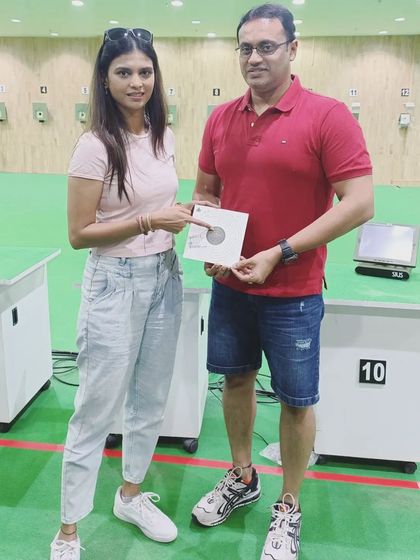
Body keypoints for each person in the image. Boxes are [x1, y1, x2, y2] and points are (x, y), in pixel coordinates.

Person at [191, 4, 374, 560]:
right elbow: (206, 191)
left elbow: (360, 202)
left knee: (296, 402)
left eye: (267, 46)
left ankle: (288, 504)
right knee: (235, 381)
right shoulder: (221, 119)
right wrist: (213, 246)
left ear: (292, 49)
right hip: (232, 287)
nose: (254, 57)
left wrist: (281, 252)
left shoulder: (327, 116)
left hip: (293, 292)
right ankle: (242, 475)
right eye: (246, 47)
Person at [50, 27, 212, 560]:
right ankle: (67, 531)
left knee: (150, 399)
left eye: (145, 71)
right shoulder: (95, 145)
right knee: (95, 410)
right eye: (124, 72)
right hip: (114, 283)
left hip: (165, 276)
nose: (137, 82)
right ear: (105, 78)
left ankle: (130, 496)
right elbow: (79, 234)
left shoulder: (164, 136)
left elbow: (161, 204)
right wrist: (148, 220)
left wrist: (188, 215)